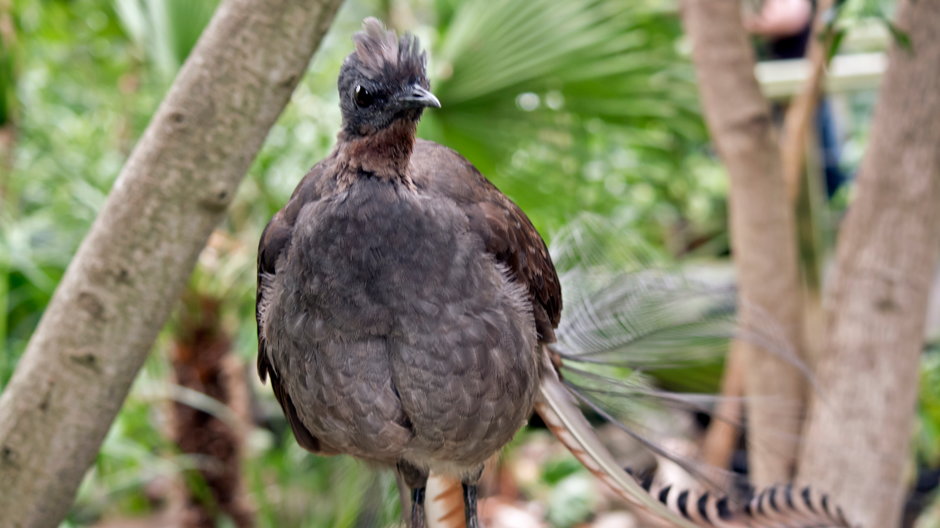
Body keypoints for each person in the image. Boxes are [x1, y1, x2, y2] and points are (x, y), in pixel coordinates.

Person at [747, 0, 848, 199]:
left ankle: (831, 189)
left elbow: (790, 18)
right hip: (785, 83)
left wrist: (747, 24)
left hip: (803, 79)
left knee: (820, 148)